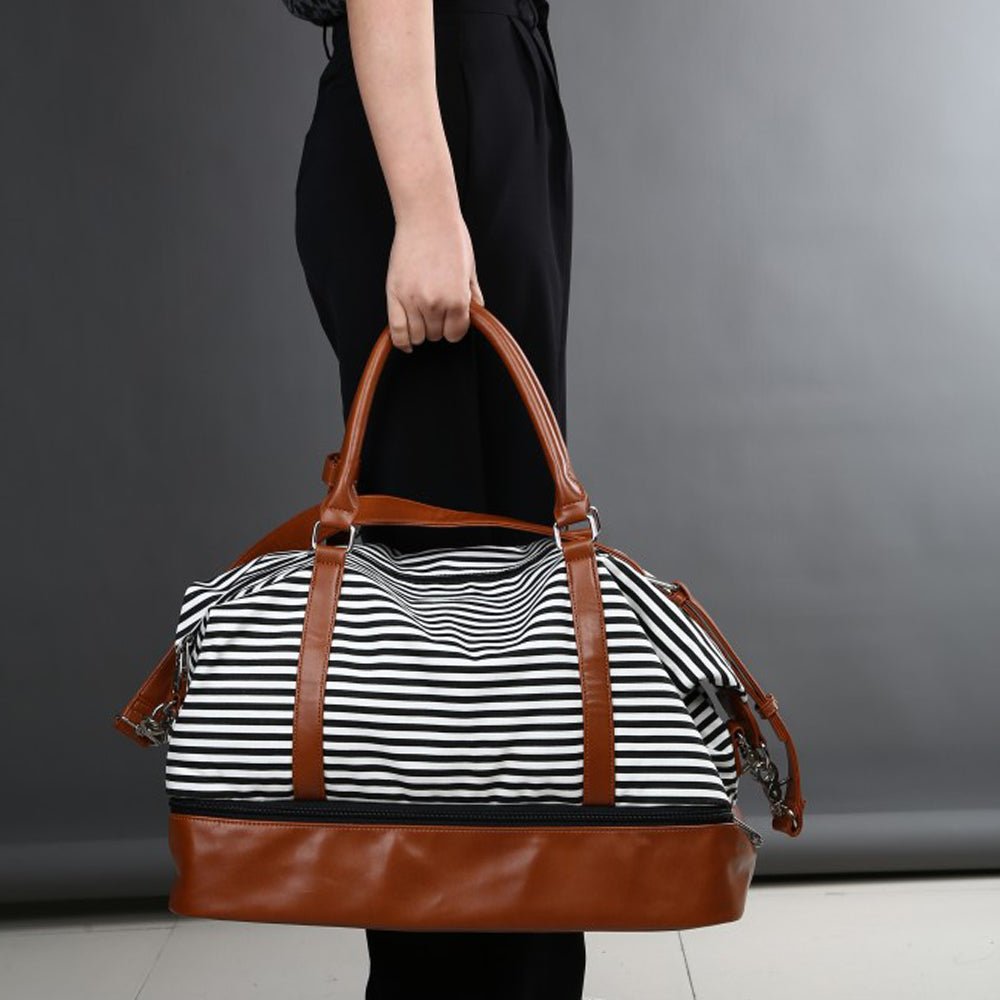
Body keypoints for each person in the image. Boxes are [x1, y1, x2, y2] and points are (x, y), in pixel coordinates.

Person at [289, 0, 583, 996]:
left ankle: (498, 974)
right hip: (441, 100)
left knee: (493, 625)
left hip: (473, 92)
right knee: (443, 628)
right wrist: (424, 203)